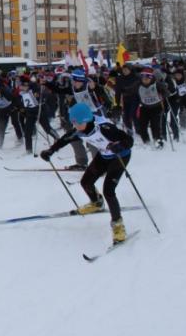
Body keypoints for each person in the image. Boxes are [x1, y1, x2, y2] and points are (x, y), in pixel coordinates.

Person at [40, 102, 133, 245]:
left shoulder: (104, 128)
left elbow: (128, 139)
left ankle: (118, 225)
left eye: (77, 122)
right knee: (86, 182)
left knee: (109, 190)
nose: (75, 126)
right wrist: (50, 151)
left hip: (120, 156)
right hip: (104, 155)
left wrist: (121, 146)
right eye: (73, 122)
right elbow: (65, 139)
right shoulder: (79, 130)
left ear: (86, 120)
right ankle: (96, 202)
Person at [135, 68, 167, 148]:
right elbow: (129, 91)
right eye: (143, 78)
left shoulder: (157, 84)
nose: (145, 80)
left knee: (155, 125)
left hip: (156, 107)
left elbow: (166, 93)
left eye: (147, 78)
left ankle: (158, 141)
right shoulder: (138, 85)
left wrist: (164, 91)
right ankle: (146, 142)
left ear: (151, 78)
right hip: (144, 107)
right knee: (142, 126)